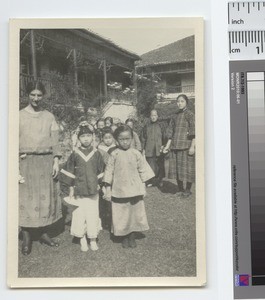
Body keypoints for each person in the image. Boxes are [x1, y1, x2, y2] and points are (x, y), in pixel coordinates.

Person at [19, 81, 62, 255]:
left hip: (46, 162)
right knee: (26, 199)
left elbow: (55, 140)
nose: (36, 98)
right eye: (32, 95)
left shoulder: (49, 116)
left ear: (43, 96)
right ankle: (27, 235)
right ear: (27, 95)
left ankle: (43, 233)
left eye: (39, 95)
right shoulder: (18, 116)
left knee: (45, 198)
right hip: (26, 162)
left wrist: (56, 161)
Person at [103, 125, 154, 249]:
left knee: (134, 213)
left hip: (134, 189)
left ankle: (132, 235)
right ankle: (123, 236)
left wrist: (143, 187)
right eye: (121, 139)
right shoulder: (114, 154)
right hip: (119, 190)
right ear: (116, 140)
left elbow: (143, 171)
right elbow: (109, 172)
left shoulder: (136, 153)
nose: (125, 142)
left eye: (127, 139)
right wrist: (108, 189)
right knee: (121, 213)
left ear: (132, 138)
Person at [59, 123, 105, 251]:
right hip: (79, 191)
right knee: (80, 214)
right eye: (83, 136)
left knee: (93, 214)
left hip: (93, 191)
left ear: (93, 137)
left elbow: (101, 171)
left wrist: (101, 185)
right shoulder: (75, 154)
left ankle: (93, 238)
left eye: (88, 136)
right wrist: (71, 188)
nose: (86, 139)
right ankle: (82, 238)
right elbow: (70, 172)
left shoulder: (97, 154)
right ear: (78, 139)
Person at [163, 94, 195, 198]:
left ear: (186, 102)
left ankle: (188, 190)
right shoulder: (174, 116)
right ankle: (180, 189)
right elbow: (170, 132)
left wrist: (192, 147)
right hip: (175, 146)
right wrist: (167, 146)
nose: (179, 103)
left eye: (182, 101)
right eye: (178, 101)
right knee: (177, 169)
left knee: (188, 169)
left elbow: (194, 132)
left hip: (186, 146)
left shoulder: (190, 115)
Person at [141, 110, 167, 187]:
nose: (153, 117)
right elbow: (143, 138)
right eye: (152, 115)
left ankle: (160, 180)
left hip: (159, 149)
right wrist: (143, 149)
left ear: (157, 116)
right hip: (149, 149)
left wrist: (163, 145)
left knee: (160, 165)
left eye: (155, 115)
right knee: (150, 165)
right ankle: (150, 181)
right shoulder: (146, 126)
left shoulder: (161, 126)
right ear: (150, 116)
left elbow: (165, 137)